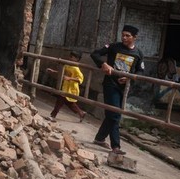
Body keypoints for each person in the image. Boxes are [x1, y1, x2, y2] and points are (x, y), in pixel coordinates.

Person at [90, 24, 144, 155]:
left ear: (134, 38)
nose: (124, 38)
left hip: (124, 88)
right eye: (123, 35)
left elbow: (140, 71)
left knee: (112, 115)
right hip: (110, 84)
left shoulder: (138, 53)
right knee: (115, 114)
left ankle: (99, 138)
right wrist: (103, 64)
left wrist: (129, 78)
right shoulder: (114, 47)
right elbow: (95, 54)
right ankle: (116, 146)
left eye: (127, 36)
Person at [48, 51, 87, 122]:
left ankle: (53, 115)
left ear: (77, 59)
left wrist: (70, 78)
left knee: (59, 101)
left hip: (71, 89)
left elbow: (80, 79)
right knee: (69, 103)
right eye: (70, 56)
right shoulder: (67, 66)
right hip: (65, 87)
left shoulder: (76, 69)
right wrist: (53, 71)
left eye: (72, 57)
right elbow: (62, 72)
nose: (70, 58)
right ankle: (81, 113)